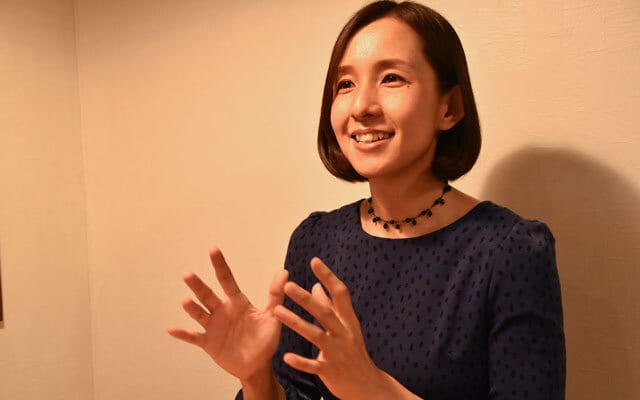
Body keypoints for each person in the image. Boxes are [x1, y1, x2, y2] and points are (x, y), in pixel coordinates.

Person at [168, 1, 566, 399]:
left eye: (391, 78)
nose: (361, 107)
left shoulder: (510, 250)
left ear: (449, 107)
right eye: (345, 85)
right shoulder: (316, 241)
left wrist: (373, 388)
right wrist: (256, 377)